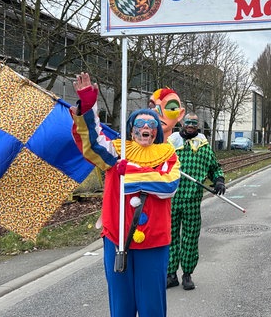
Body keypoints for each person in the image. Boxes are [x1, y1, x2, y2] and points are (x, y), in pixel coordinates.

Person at [71, 73, 180, 317]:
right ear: (131, 130)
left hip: (155, 240)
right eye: (139, 125)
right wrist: (88, 105)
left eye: (151, 125)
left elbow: (168, 185)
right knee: (121, 306)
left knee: (152, 306)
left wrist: (127, 171)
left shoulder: (168, 154)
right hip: (117, 236)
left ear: (157, 131)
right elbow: (92, 144)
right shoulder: (116, 151)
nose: (145, 129)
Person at [166, 113, 226, 290]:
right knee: (170, 237)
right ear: (182, 124)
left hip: (192, 200)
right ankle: (170, 274)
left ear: (197, 126)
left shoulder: (203, 146)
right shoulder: (170, 144)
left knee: (190, 238)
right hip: (171, 198)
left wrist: (219, 180)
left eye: (194, 123)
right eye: (188, 122)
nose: (190, 125)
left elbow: (214, 167)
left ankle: (187, 274)